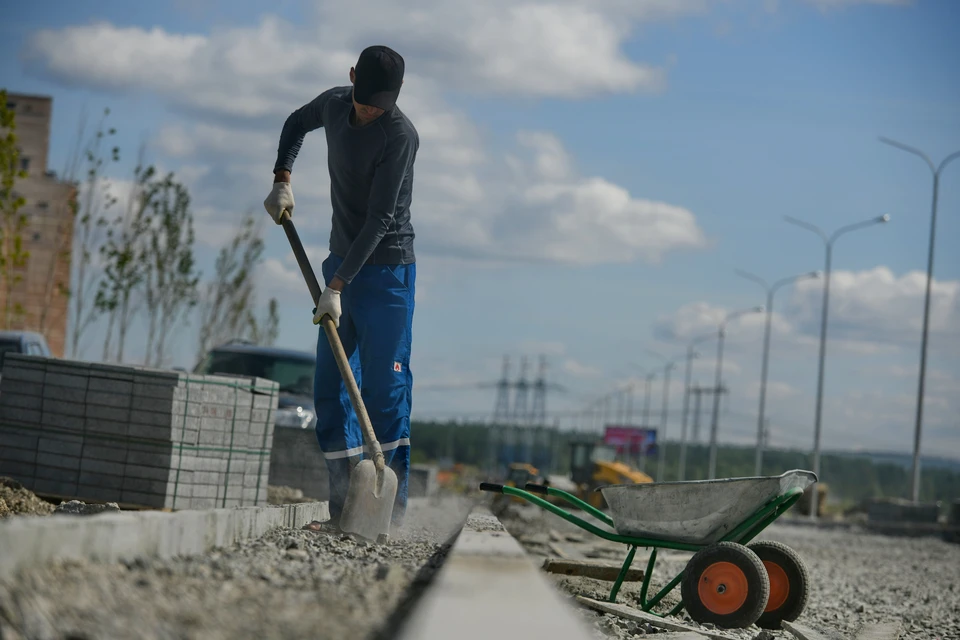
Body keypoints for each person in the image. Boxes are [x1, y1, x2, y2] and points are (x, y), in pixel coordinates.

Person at [263, 45, 418, 529]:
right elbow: (294, 123)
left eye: (381, 104)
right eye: (366, 100)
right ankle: (345, 511)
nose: (372, 110)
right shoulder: (333, 105)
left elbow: (380, 220)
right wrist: (282, 179)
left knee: (385, 390)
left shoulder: (400, 136)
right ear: (351, 78)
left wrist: (336, 285)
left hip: (387, 273)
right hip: (341, 266)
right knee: (329, 390)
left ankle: (388, 520)